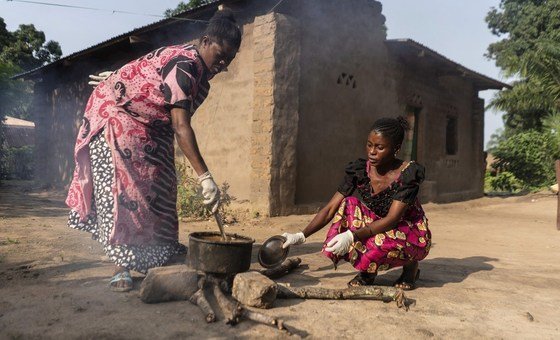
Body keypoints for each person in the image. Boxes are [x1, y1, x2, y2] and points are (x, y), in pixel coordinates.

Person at [65, 10, 242, 292]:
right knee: (124, 190)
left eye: (229, 60)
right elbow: (181, 127)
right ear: (206, 41)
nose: (223, 64)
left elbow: (155, 84)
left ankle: (161, 249)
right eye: (220, 55)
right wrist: (205, 177)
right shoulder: (186, 64)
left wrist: (124, 78)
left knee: (163, 184)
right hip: (117, 116)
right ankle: (120, 266)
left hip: (151, 125)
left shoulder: (199, 75)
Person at [282, 117, 431, 289]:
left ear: (396, 148)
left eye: (379, 147)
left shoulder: (408, 174)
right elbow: (331, 208)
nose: (372, 152)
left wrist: (352, 236)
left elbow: (392, 219)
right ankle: (368, 272)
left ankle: (410, 268)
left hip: (407, 229)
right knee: (349, 203)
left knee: (378, 243)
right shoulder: (360, 170)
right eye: (369, 145)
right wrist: (301, 236)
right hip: (377, 224)